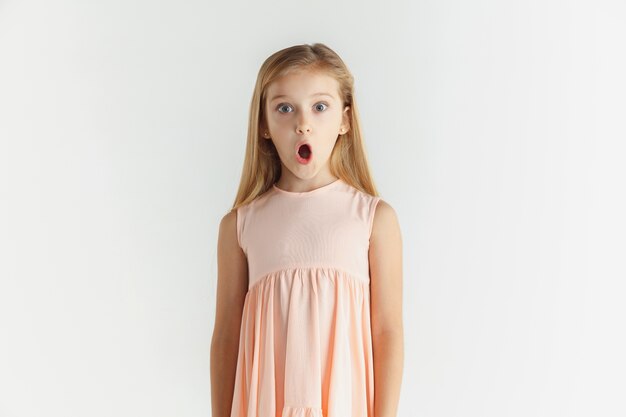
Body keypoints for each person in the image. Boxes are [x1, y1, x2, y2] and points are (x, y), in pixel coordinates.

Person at [211, 43, 404, 417]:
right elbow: (225, 338)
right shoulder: (239, 225)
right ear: (264, 125)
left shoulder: (373, 219)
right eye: (285, 108)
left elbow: (387, 332)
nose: (303, 123)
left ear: (345, 120)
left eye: (320, 106)